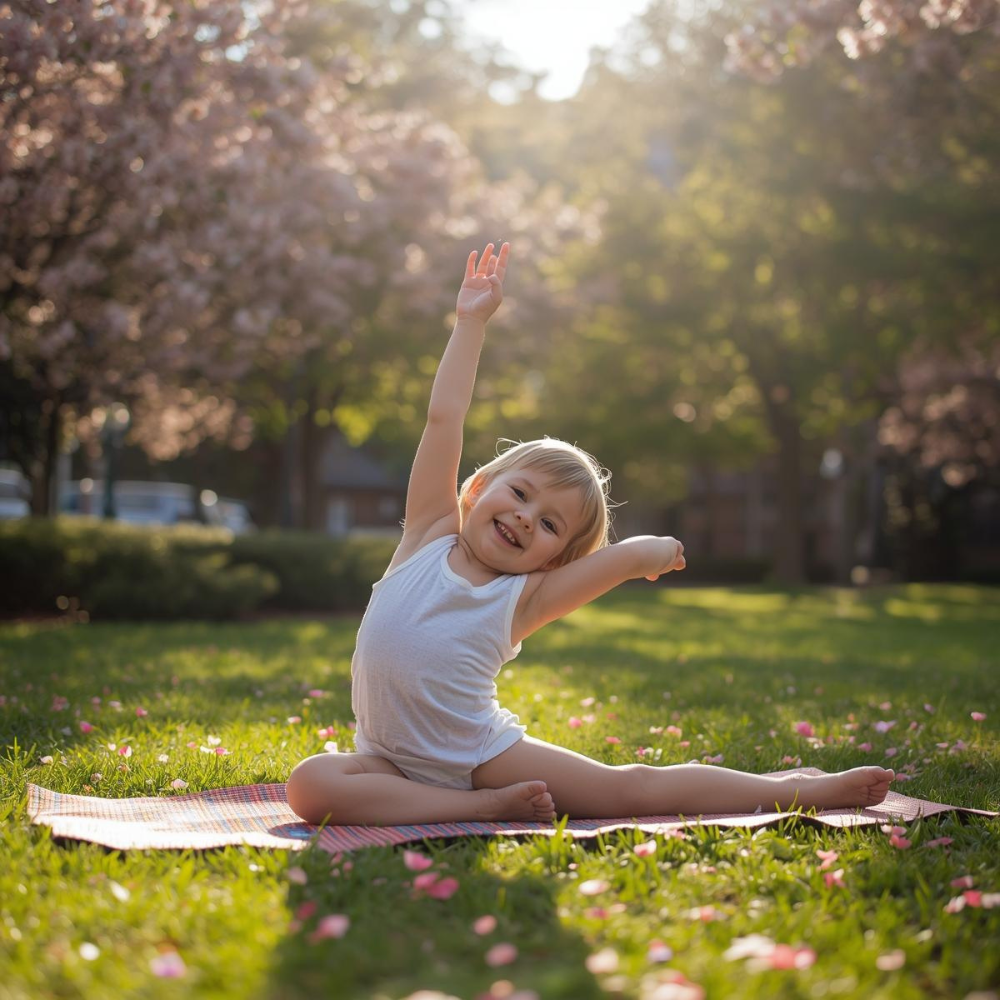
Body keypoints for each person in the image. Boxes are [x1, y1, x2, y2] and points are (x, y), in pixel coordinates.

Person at [286, 242, 894, 826]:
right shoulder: (427, 535)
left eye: (549, 524)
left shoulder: (522, 598)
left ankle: (799, 790)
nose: (526, 516)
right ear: (476, 490)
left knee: (632, 787)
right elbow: (444, 416)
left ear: (554, 560)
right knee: (309, 784)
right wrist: (469, 323)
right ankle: (477, 812)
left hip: (481, 758)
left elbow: (616, 563)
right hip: (387, 763)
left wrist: (643, 554)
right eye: (520, 493)